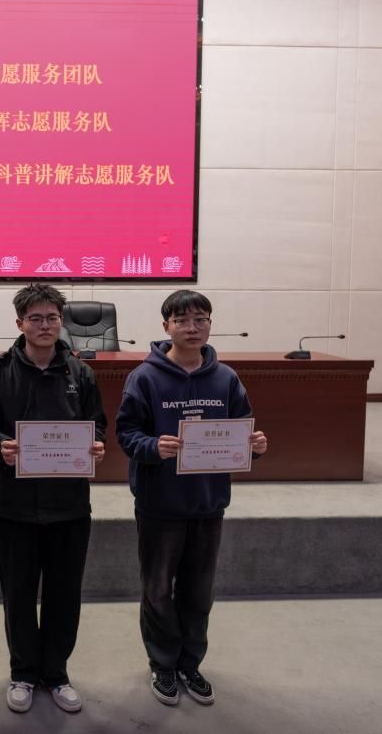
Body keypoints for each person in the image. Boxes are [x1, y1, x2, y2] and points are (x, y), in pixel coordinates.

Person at [115, 290, 268, 708]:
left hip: (207, 503)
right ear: (166, 326)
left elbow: (241, 429)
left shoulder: (226, 378)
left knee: (199, 592)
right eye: (182, 320)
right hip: (160, 503)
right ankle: (163, 664)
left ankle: (190, 663)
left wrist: (254, 445)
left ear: (210, 325)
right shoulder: (144, 378)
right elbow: (126, 433)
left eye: (200, 319)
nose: (192, 327)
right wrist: (152, 446)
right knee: (157, 590)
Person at [0, 283, 107, 714]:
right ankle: (24, 672)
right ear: (20, 323)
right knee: (19, 595)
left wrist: (96, 444)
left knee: (65, 594)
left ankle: (56, 673)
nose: (44, 326)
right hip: (16, 505)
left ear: (61, 322)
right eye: (35, 318)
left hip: (69, 506)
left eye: (51, 318)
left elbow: (97, 423)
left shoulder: (80, 373)